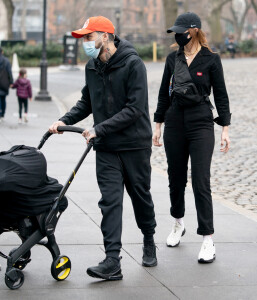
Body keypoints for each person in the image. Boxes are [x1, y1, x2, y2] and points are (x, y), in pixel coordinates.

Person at [49, 16, 157, 280]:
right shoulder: (92, 66)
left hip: (134, 145)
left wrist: (99, 128)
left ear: (105, 36)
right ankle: (112, 261)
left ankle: (148, 239)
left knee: (140, 197)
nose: (85, 42)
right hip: (107, 147)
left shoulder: (133, 64)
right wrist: (64, 120)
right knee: (109, 202)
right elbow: (87, 101)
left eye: (89, 36)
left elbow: (134, 109)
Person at [153, 12, 231, 263]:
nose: (178, 35)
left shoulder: (211, 59)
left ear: (194, 30)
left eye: (182, 30)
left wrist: (225, 128)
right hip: (175, 121)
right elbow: (163, 93)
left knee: (200, 180)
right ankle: (178, 223)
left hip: (201, 123)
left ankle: (207, 238)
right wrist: (158, 124)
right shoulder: (171, 59)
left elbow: (221, 94)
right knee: (175, 179)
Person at [0, 47, 13, 122]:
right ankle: (2, 114)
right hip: (4, 83)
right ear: (2, 52)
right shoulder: (6, 61)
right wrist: (11, 82)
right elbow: (9, 73)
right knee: (3, 99)